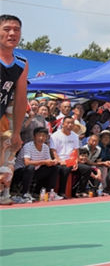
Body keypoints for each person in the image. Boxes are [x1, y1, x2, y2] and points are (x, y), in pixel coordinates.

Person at [0, 15, 28, 166]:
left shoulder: (21, 63)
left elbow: (21, 100)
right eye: (7, 29)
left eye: (16, 30)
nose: (12, 33)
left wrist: (16, 132)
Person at [18, 127, 59, 201]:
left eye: (44, 136)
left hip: (35, 171)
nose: (41, 138)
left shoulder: (45, 147)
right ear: (34, 136)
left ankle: (49, 192)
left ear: (46, 137)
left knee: (54, 168)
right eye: (39, 135)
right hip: (21, 172)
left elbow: (48, 162)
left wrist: (53, 162)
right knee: (30, 167)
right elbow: (27, 163)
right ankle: (25, 193)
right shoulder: (28, 146)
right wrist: (44, 162)